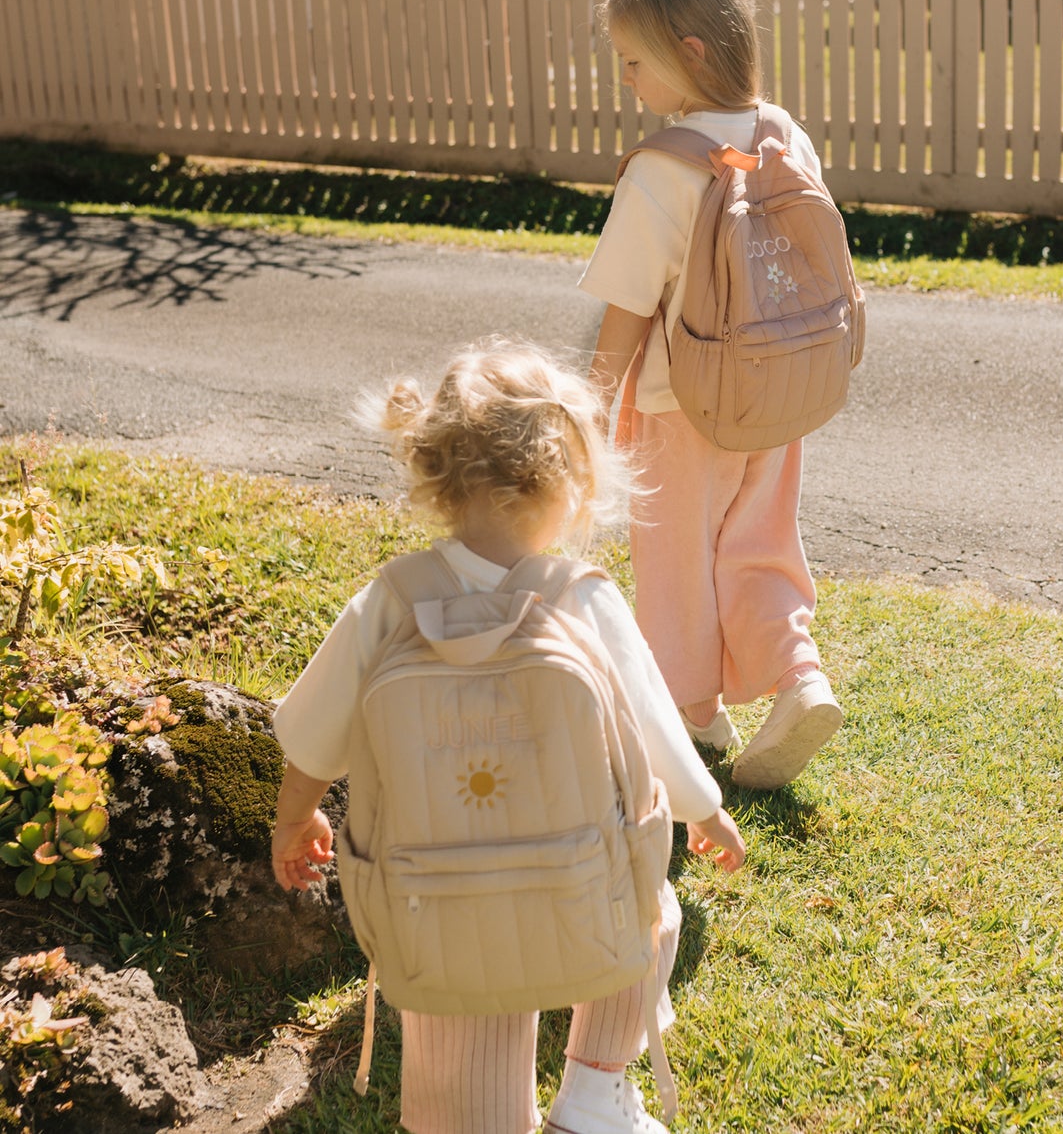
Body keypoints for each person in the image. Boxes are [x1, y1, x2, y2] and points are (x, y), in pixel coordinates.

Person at [268, 337, 746, 1134]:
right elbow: (655, 726)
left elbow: (312, 733)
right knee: (643, 915)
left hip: (437, 892)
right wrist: (704, 808)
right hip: (580, 873)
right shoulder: (582, 599)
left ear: (436, 477)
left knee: (465, 1018)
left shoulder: (391, 599)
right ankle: (594, 1088)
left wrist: (295, 819)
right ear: (569, 483)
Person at [580, 0, 843, 791]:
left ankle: (690, 716)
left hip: (679, 405)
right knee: (759, 545)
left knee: (675, 561)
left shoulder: (664, 166)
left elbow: (627, 302)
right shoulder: (783, 133)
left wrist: (589, 403)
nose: (626, 80)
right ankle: (799, 678)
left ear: (688, 53)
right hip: (779, 395)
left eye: (632, 61)